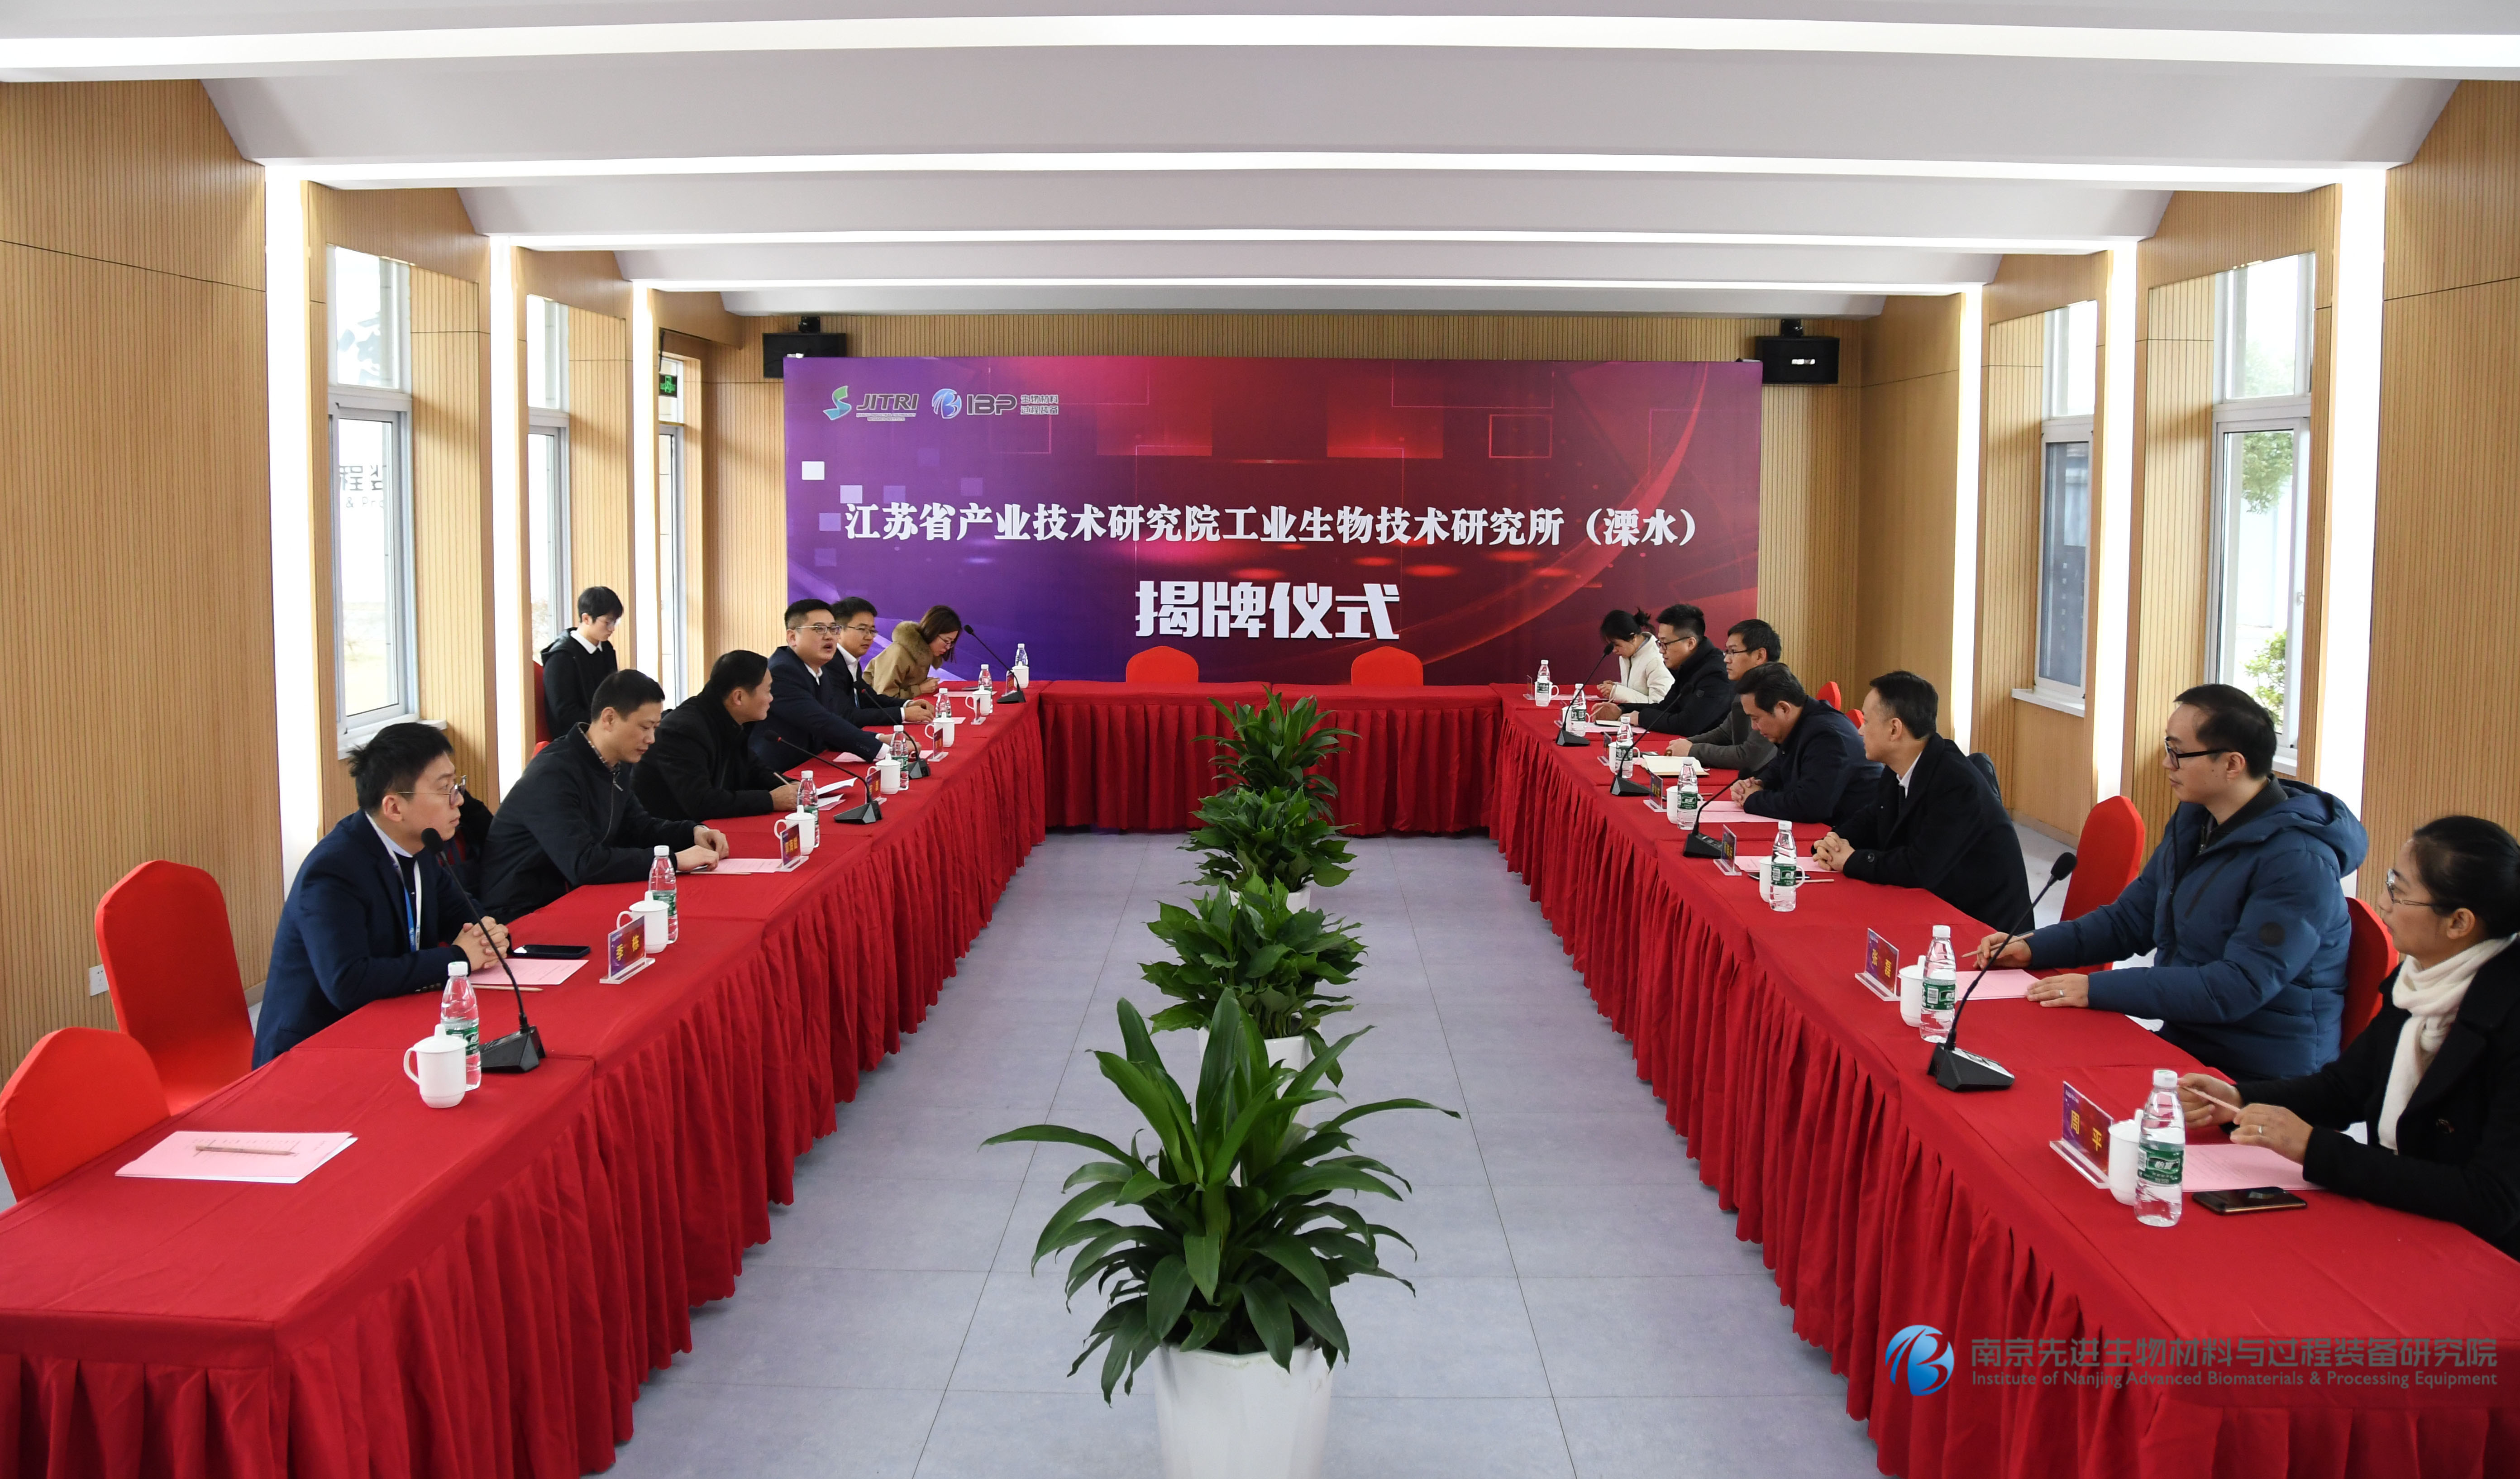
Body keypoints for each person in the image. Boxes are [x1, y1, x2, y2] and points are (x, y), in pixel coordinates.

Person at [1980, 684, 2368, 1080]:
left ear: (2232, 764)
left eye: (2178, 752)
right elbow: (2132, 920)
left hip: (2259, 1072)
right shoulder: (2196, 819)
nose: (2167, 763)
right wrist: (2033, 947)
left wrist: (2098, 989)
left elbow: (2237, 987)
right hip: (2188, 1039)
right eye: (2168, 747)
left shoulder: (2299, 861)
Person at [2177, 816, 2520, 1260]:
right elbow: (2346, 1088)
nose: (2383, 902)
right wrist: (2239, 1099)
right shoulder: (2423, 980)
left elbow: (2490, 1200)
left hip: (2482, 1257)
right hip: (2405, 1215)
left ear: (2459, 922)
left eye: (2398, 891)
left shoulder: (2506, 1017)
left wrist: (2315, 1149)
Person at [253, 724, 510, 1064]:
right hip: (314, 1050)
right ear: (394, 808)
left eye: (456, 785)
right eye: (445, 789)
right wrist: (458, 957)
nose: (459, 799)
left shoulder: (421, 847)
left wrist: (491, 935)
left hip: (392, 1025)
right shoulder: (334, 871)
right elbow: (348, 983)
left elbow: (467, 917)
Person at [482, 669, 729, 921]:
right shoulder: (553, 773)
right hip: (520, 912)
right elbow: (583, 863)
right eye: (645, 727)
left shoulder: (614, 764)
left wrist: (692, 832)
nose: (652, 739)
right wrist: (671, 861)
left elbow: (638, 827)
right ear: (609, 718)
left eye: (655, 728)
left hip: (573, 896)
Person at [1814, 671, 2032, 932]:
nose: (1860, 731)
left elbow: (1920, 867)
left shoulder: (1955, 783)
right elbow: (1873, 817)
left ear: (1894, 729)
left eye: (1867, 722)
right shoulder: (1899, 766)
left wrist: (1852, 861)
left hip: (1985, 930)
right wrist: (1833, 841)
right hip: (1937, 908)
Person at [754, 597, 934, 770]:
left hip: (811, 764)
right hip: (780, 773)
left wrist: (879, 738)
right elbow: (823, 723)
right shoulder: (783, 672)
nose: (829, 636)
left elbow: (834, 720)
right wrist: (886, 751)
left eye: (833, 629)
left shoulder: (819, 669)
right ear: (793, 637)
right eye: (819, 629)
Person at [633, 650, 802, 822]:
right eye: (768, 691)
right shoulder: (684, 731)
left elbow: (753, 769)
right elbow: (701, 802)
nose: (771, 698)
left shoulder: (726, 718)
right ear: (739, 697)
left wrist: (794, 787)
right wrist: (770, 800)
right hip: (668, 832)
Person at [1726, 663, 1877, 831]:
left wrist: (1754, 799)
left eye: (1756, 719)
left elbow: (1810, 806)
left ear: (1783, 708)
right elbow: (1780, 768)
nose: (1754, 727)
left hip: (1858, 834)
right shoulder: (1800, 723)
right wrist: (1758, 783)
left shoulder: (1826, 736)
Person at [1666, 619, 1784, 773]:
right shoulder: (1749, 687)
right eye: (1726, 652)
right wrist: (1688, 743)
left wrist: (1692, 750)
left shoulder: (1773, 692)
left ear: (1759, 656)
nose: (1726, 659)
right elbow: (1725, 733)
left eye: (1733, 652)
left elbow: (1749, 757)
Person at [1609, 603, 1733, 736]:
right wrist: (1622, 709)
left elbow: (1688, 725)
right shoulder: (1688, 665)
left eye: (1666, 644)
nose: (1661, 651)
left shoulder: (1716, 673)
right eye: (1660, 643)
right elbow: (1666, 708)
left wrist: (1641, 718)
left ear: (1690, 643)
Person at [539, 586, 622, 736]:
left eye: (615, 622)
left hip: (605, 731)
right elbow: (564, 713)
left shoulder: (606, 649)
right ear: (586, 619)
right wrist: (608, 725)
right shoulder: (561, 657)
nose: (612, 629)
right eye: (608, 622)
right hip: (576, 738)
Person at [1585, 609, 1670, 719]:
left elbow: (1659, 704)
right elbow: (1637, 689)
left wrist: (1617, 692)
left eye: (1617, 645)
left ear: (1633, 638)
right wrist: (1615, 687)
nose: (1614, 651)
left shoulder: (1656, 659)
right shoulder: (1627, 654)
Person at [868, 604, 964, 700]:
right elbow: (883, 698)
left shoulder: (924, 654)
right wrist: (919, 690)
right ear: (932, 632)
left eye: (951, 643)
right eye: (946, 641)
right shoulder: (898, 653)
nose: (948, 647)